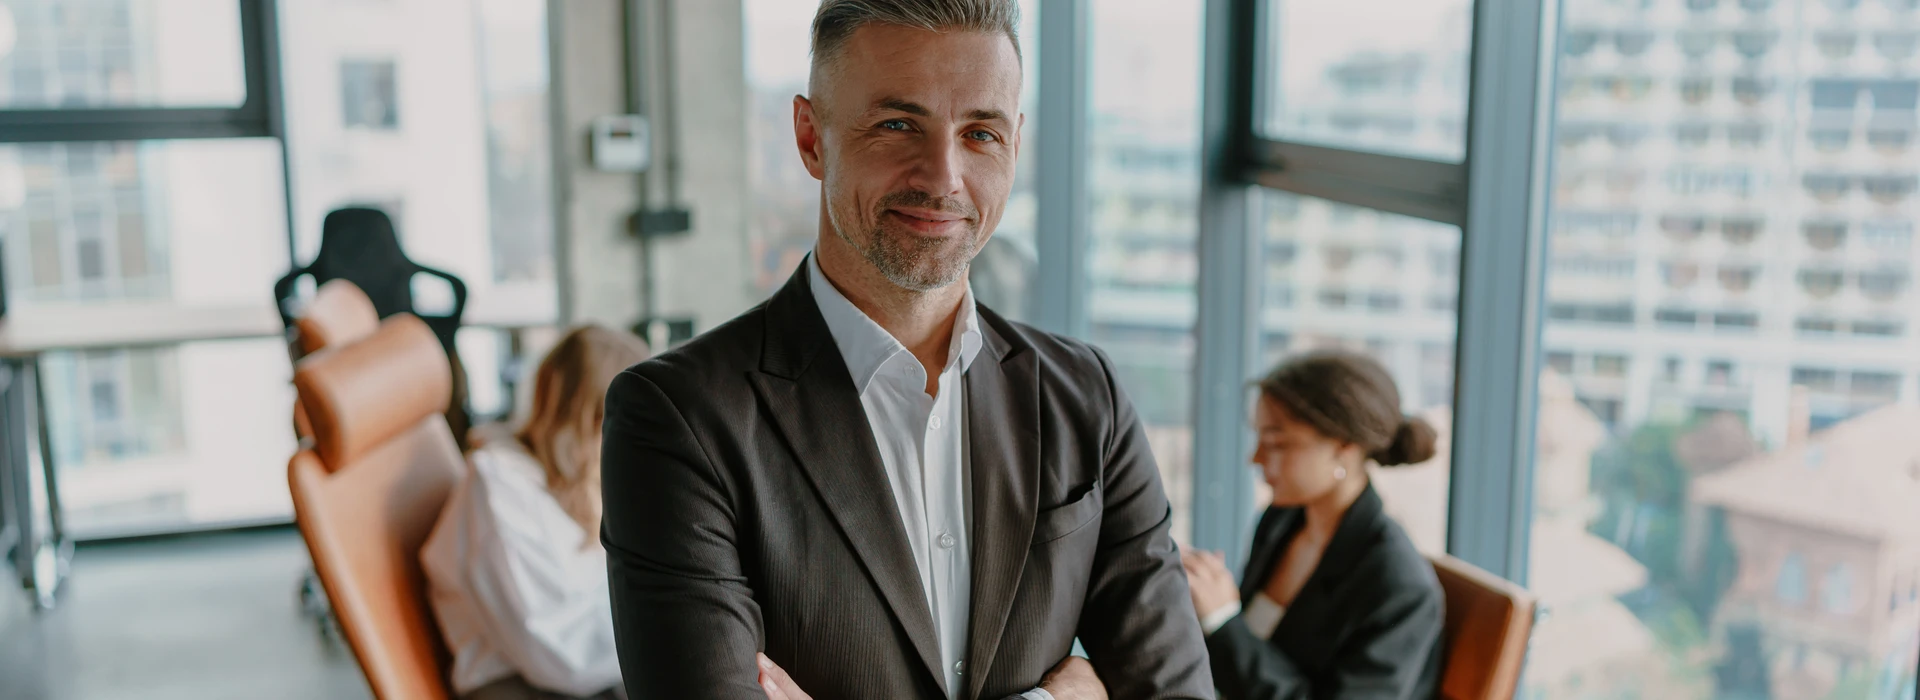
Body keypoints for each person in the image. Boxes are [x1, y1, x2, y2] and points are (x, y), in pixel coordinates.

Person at [598, 1, 1214, 699]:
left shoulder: (1086, 397)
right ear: (811, 139)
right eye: (898, 125)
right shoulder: (678, 417)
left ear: (1015, 146)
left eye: (981, 133)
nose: (943, 176)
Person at [1181, 350, 1446, 700]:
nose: (1256, 458)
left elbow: (1236, 640)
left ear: (1344, 448)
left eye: (1277, 442)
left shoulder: (1400, 588)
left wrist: (1223, 620)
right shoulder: (1281, 521)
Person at [421, 325, 651, 700]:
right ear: (591, 422)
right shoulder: (497, 487)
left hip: (583, 673)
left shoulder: (565, 484)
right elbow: (560, 655)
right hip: (525, 685)